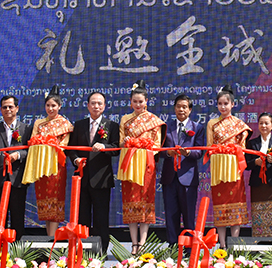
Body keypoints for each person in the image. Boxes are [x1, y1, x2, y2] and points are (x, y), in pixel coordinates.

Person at [69, 91, 120, 253]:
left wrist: (104, 147)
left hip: (101, 179)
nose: (96, 106)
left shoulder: (112, 126)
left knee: (101, 217)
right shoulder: (79, 125)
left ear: (104, 106)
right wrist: (76, 160)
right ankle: (82, 250)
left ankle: (101, 251)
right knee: (82, 217)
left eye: (99, 103)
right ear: (87, 105)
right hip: (82, 178)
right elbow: (71, 148)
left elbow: (116, 148)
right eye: (93, 103)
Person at [118, 81, 165, 255]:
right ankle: (133, 242)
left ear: (146, 101)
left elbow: (157, 145)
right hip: (129, 166)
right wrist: (127, 142)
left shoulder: (154, 120)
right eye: (135, 101)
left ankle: (143, 242)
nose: (138, 104)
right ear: (130, 102)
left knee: (145, 202)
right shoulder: (125, 119)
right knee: (131, 202)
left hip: (146, 166)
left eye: (141, 101)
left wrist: (143, 147)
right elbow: (121, 143)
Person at [22, 86, 73, 237]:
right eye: (48, 105)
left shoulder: (65, 124)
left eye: (54, 106)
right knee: (44, 201)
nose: (50, 108)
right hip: (41, 166)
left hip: (56, 166)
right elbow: (33, 141)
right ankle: (49, 236)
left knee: (55, 200)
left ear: (59, 106)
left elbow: (64, 145)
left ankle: (52, 238)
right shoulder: (39, 123)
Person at [206, 85, 252, 248]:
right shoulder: (212, 123)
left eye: (226, 103)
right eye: (220, 104)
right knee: (221, 205)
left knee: (235, 206)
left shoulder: (240, 125)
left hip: (234, 170)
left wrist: (232, 149)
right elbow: (209, 147)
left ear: (233, 104)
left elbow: (242, 149)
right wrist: (219, 149)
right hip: (219, 169)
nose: (223, 107)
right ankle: (222, 244)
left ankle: (234, 244)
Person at [160, 93, 206, 245]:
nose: (181, 110)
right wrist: (168, 152)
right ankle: (173, 248)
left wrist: (187, 153)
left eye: (184, 107)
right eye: (178, 106)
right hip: (169, 178)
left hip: (188, 178)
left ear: (190, 109)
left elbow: (199, 152)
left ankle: (189, 249)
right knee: (171, 215)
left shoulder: (197, 128)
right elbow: (159, 151)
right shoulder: (166, 127)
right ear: (174, 108)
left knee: (188, 215)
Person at [0, 95, 32, 240]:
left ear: (17, 108)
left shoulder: (26, 129)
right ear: (0, 110)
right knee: (0, 215)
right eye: (4, 107)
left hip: (17, 178)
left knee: (17, 215)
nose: (8, 109)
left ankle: (17, 248)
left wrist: (18, 155)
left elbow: (31, 150)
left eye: (10, 107)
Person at [245, 112, 272, 238]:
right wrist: (255, 162)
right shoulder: (252, 143)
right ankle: (258, 240)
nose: (263, 126)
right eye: (261, 123)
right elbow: (246, 164)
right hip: (258, 184)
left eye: (266, 123)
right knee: (258, 212)